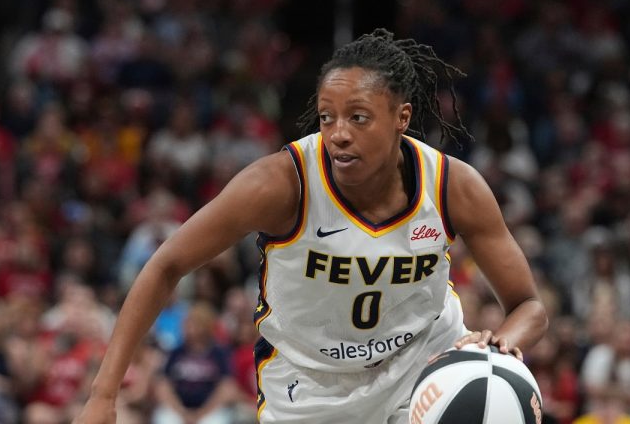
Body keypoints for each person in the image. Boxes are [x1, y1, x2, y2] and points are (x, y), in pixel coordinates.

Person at [73, 28, 548, 424]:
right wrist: (103, 393)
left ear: (402, 117)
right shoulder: (279, 184)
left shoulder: (452, 186)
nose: (338, 132)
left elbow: (528, 305)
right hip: (310, 385)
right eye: (328, 117)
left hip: (421, 369)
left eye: (358, 118)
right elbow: (166, 265)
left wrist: (501, 344)